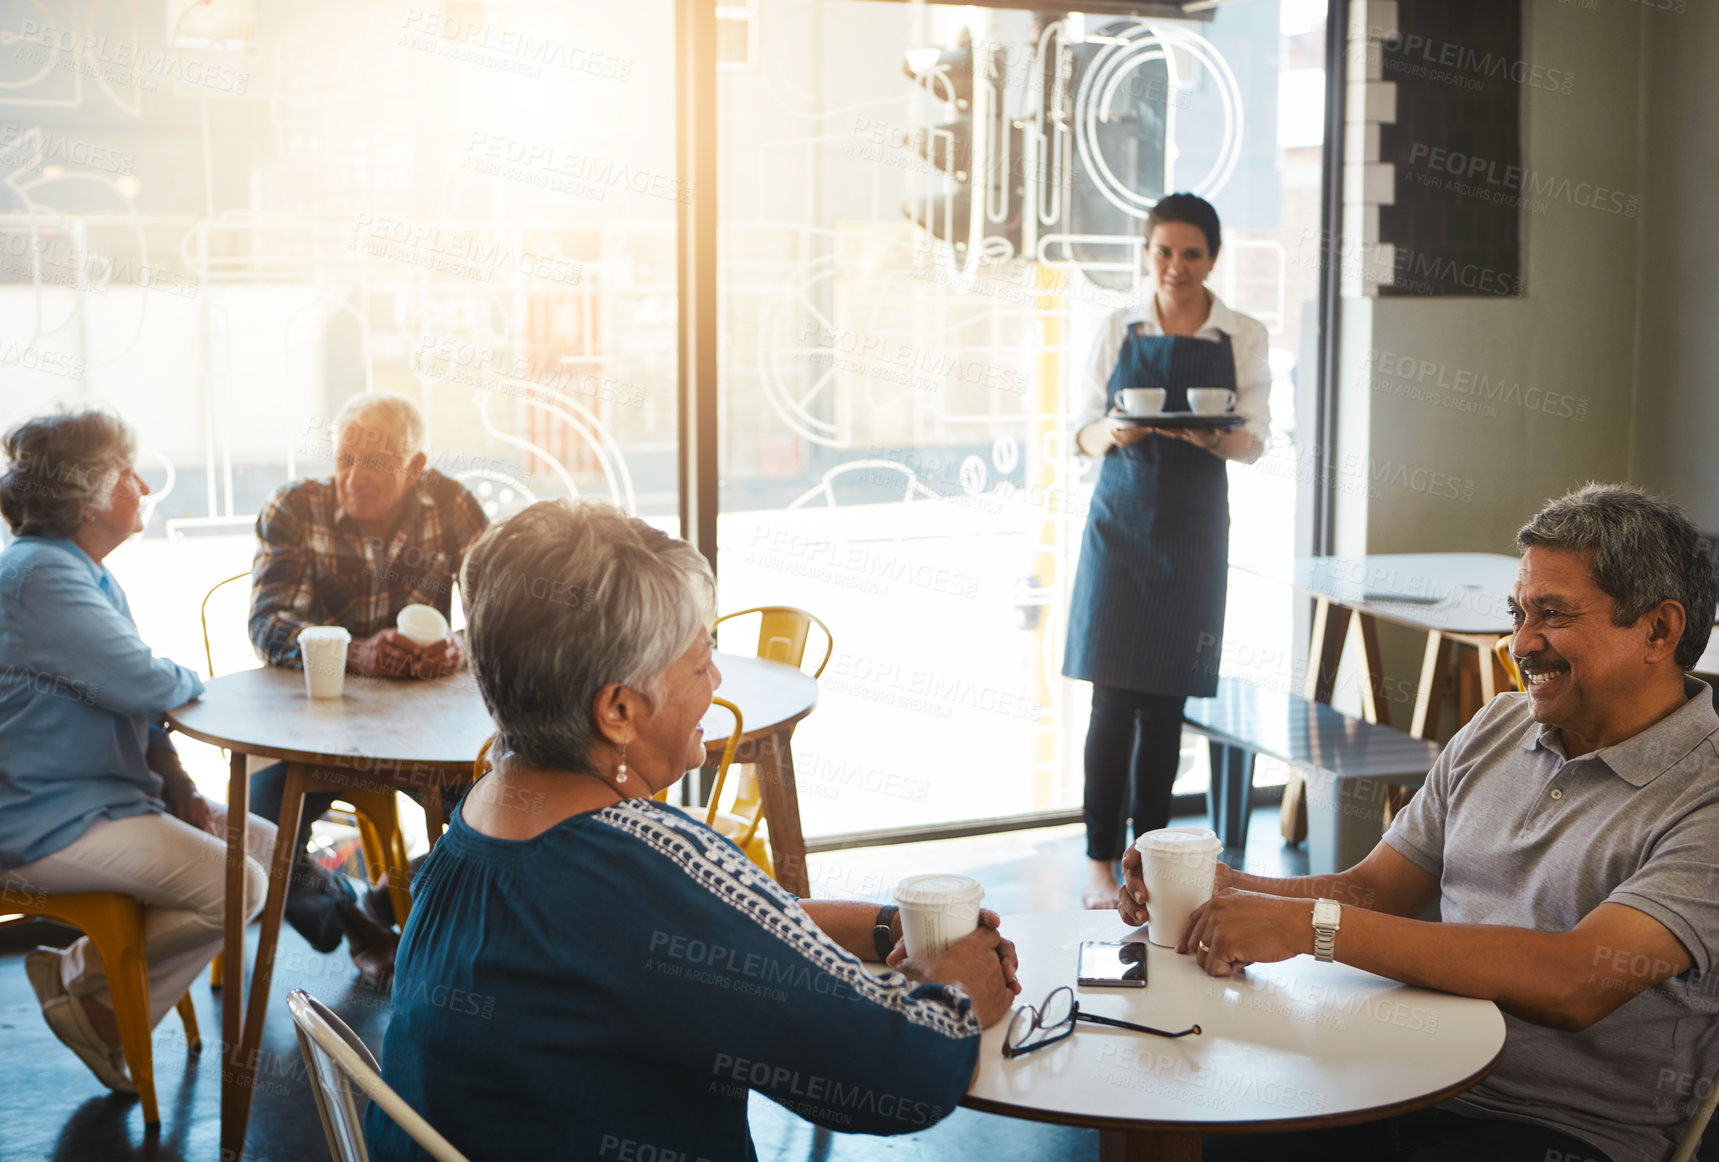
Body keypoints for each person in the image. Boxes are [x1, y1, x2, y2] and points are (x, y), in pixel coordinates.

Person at [365, 500, 1020, 1162]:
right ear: (618, 709)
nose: (716, 679)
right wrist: (960, 987)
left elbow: (710, 935)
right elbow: (893, 1074)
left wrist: (883, 927)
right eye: (701, 658)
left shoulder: (483, 814)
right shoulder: (643, 862)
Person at [1117, 484, 1719, 1162]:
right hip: (1407, 1076)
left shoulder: (1706, 794)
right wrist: (1227, 889)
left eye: (1550, 614)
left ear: (1658, 630)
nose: (1520, 644)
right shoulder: (1499, 726)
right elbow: (1372, 892)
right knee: (1186, 1125)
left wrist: (1305, 927)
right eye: (1517, 613)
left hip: (1562, 1132)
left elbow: (1576, 981)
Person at [0, 409, 275, 1095]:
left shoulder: (76, 570)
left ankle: (82, 986)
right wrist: (182, 676)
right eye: (128, 473)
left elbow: (130, 699)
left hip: (96, 797)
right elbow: (143, 681)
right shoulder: (42, 576)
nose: (143, 485)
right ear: (89, 494)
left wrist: (177, 778)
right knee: (238, 883)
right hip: (40, 817)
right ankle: (93, 999)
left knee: (263, 844)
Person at [1065, 193, 1271, 909]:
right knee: (1110, 701)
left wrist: (1213, 438)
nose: (1175, 267)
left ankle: (1144, 861)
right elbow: (1078, 433)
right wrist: (1114, 433)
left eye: (1190, 253)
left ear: (1212, 257)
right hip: (1118, 526)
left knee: (1165, 705)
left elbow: (1254, 441)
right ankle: (1097, 861)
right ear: (1145, 253)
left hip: (1191, 527)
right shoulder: (1115, 325)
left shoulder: (1240, 332)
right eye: (1162, 252)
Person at [247, 391, 488, 980]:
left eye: (376, 464)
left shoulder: (452, 504)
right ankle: (353, 917)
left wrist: (460, 646)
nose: (354, 477)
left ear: (416, 467)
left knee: (498, 816)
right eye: (345, 457)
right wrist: (355, 652)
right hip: (316, 726)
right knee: (250, 836)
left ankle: (391, 894)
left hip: (426, 733)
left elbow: (499, 610)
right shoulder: (295, 507)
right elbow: (268, 623)